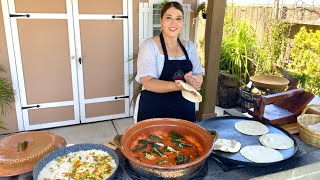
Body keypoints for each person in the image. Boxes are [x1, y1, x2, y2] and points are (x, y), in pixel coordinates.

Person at [134, 1, 204, 122]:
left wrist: (193, 81)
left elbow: (198, 74)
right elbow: (148, 83)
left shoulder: (189, 47)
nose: (174, 23)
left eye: (178, 18)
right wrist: (180, 86)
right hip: (154, 110)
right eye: (169, 18)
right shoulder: (149, 46)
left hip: (184, 109)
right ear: (161, 21)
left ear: (182, 23)